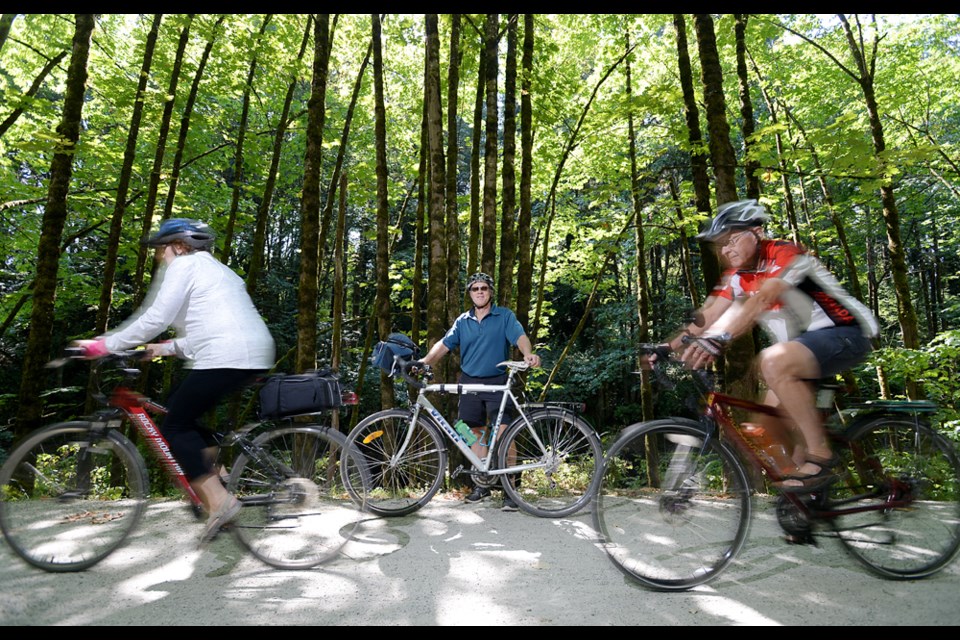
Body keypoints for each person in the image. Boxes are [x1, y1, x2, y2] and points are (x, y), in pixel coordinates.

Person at [74, 218, 276, 542]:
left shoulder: (184, 267)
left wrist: (103, 345)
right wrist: (163, 349)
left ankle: (220, 500)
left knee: (175, 427)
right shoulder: (221, 272)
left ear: (179, 245)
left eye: (161, 249)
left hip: (225, 356)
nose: (159, 257)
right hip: (249, 353)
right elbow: (206, 331)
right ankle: (218, 477)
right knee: (177, 409)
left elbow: (154, 317)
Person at [659, 199, 878, 492]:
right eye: (721, 245)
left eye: (731, 240)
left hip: (845, 334)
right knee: (764, 429)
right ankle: (806, 495)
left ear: (757, 232)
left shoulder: (786, 255)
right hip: (801, 352)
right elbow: (708, 316)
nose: (726, 250)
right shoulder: (737, 277)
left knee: (771, 361)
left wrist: (720, 338)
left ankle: (821, 455)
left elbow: (763, 298)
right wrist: (665, 347)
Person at [417, 272, 541, 511]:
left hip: (496, 381)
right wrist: (425, 362)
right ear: (470, 293)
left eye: (484, 288)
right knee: (470, 431)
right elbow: (443, 345)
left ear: (490, 291)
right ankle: (483, 483)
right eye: (475, 289)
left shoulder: (504, 315)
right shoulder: (463, 321)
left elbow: (520, 337)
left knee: (504, 434)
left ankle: (510, 490)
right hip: (470, 383)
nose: (480, 292)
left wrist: (527, 353)